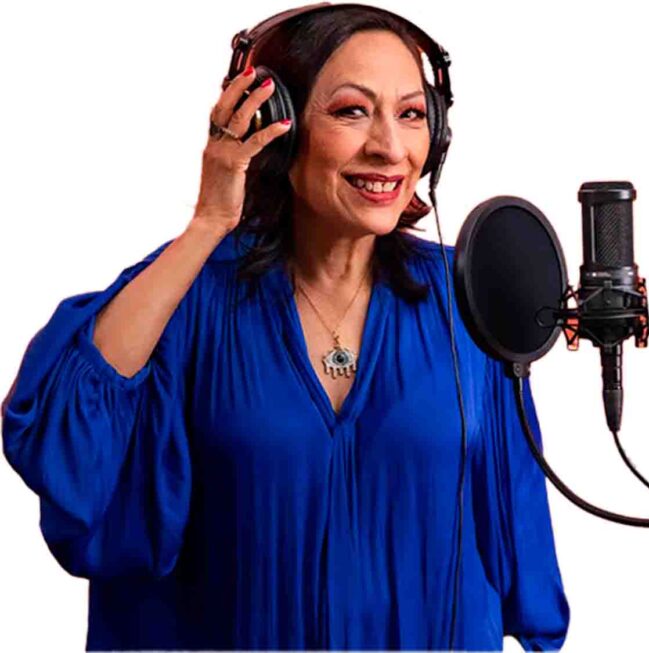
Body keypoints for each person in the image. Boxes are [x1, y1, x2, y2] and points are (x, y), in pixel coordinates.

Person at [1, 3, 570, 651]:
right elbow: (64, 440)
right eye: (352, 111)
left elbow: (517, 522)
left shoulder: (466, 295)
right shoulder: (188, 294)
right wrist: (208, 222)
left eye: (412, 114)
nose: (390, 148)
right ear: (278, 127)